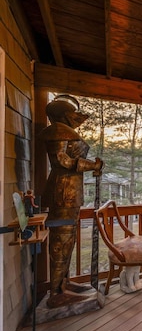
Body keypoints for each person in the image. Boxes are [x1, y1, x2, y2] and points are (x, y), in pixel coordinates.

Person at [39, 95, 103, 308]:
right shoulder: (57, 131)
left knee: (67, 238)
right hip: (63, 191)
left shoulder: (64, 131)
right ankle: (56, 291)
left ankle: (63, 284)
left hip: (70, 191)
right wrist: (92, 166)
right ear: (63, 114)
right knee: (61, 240)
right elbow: (62, 160)